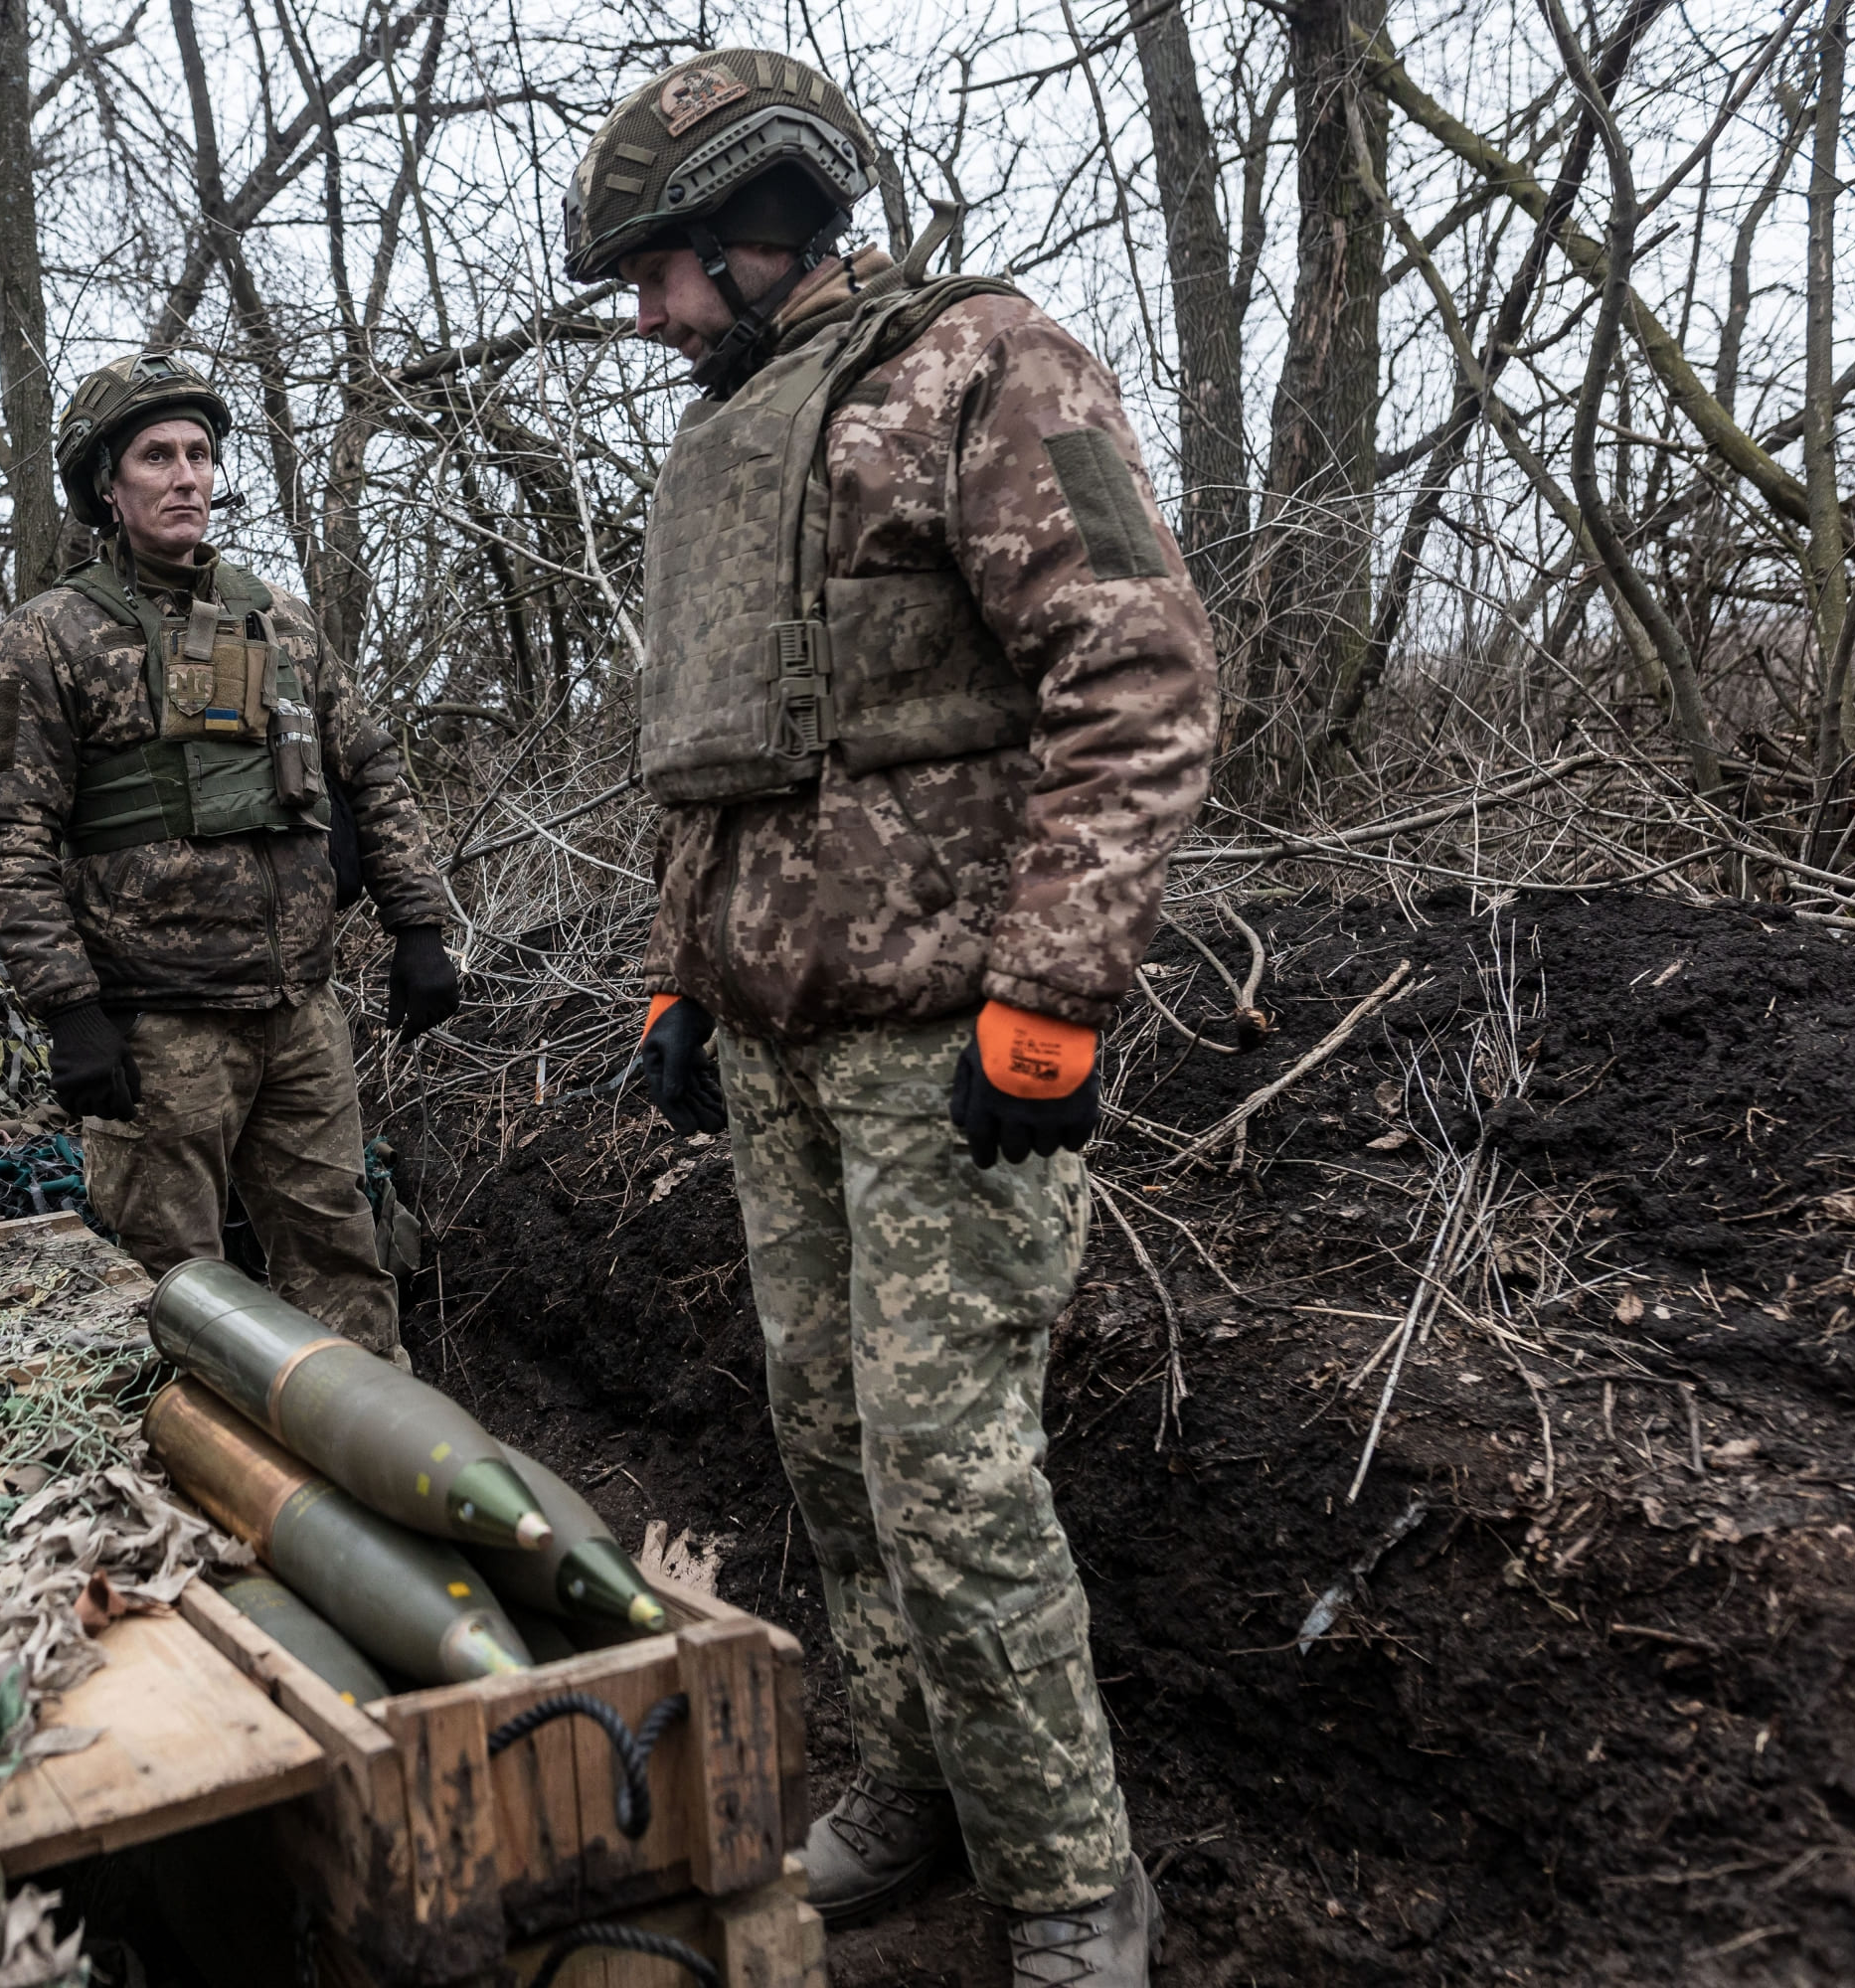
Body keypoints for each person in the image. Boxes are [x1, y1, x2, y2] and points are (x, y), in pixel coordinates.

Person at [568, 51, 1218, 1987]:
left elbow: (1140, 671)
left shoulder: (982, 369)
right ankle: (914, 1784)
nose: (648, 310)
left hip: (946, 1050)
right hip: (772, 1045)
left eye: (665, 268)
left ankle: (1076, 1874)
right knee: (835, 1452)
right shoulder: (719, 450)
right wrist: (688, 976)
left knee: (952, 1471)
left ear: (768, 222)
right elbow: (725, 765)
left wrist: (1053, 997)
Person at [0, 353, 460, 1359]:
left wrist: (417, 924)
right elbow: (7, 835)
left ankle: (383, 1474)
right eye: (157, 455)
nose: (187, 474)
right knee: (174, 1291)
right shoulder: (48, 638)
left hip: (299, 1013)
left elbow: (373, 769)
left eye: (200, 452)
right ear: (108, 483)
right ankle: (189, 1503)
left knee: (343, 1267)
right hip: (156, 1026)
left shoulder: (277, 616)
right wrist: (70, 1010)